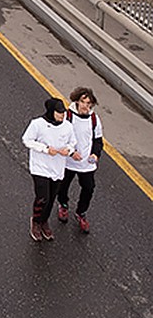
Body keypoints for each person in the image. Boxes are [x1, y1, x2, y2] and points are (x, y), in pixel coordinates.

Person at [22, 97, 79, 241]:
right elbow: (27, 140)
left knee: (52, 198)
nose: (62, 116)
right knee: (43, 197)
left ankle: (44, 221)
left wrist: (69, 149)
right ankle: (35, 221)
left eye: (63, 113)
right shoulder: (37, 124)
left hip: (57, 168)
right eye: (59, 113)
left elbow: (72, 142)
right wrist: (45, 149)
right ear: (51, 112)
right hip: (40, 167)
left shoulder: (67, 126)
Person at [56, 87, 104, 233]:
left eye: (89, 104)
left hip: (86, 164)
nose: (86, 107)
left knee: (89, 188)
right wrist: (71, 153)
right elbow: (60, 137)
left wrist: (95, 154)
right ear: (77, 101)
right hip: (68, 162)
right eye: (84, 103)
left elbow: (98, 140)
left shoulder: (94, 119)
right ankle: (63, 205)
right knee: (62, 186)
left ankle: (81, 212)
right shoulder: (68, 116)